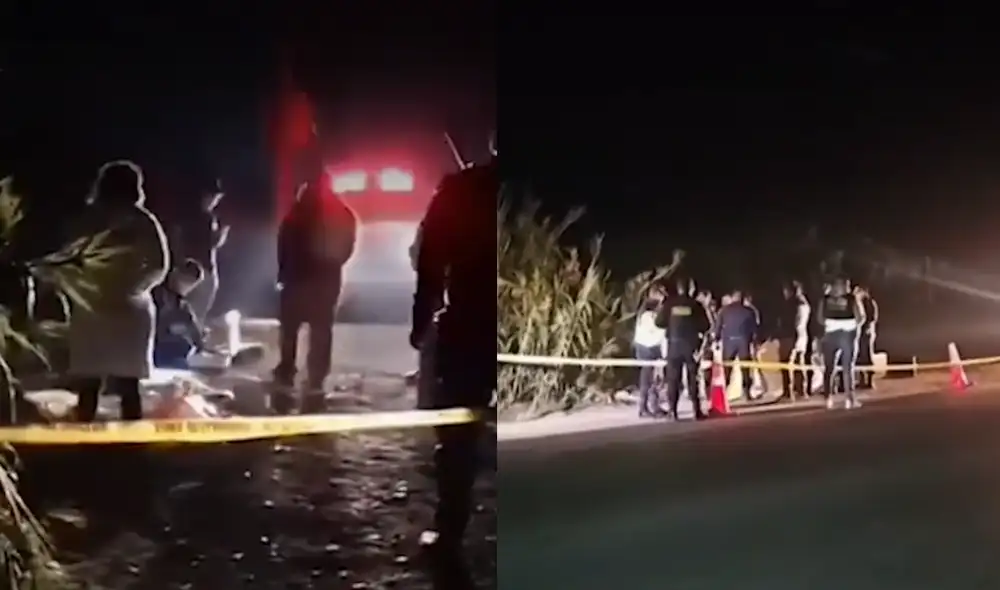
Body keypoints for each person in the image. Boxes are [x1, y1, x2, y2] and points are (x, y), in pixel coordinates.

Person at [410, 135, 496, 589]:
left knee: (458, 434)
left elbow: (429, 260)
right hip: (485, 322)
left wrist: (421, 321)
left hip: (469, 325)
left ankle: (450, 530)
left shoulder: (461, 188)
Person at [68, 160, 170, 422]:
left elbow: (66, 257)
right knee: (126, 384)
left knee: (92, 382)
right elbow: (159, 264)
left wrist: (85, 285)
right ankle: (131, 440)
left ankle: (83, 441)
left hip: (97, 304)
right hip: (125, 308)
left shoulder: (91, 218)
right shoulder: (143, 221)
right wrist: (135, 287)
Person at [272, 136, 358, 400]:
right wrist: (332, 266)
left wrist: (284, 272)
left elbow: (284, 243)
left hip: (299, 279)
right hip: (326, 281)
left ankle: (288, 368)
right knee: (321, 328)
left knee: (291, 328)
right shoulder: (341, 211)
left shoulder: (298, 211)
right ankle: (317, 374)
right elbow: (347, 245)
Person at [656, 279, 710, 419]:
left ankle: (672, 411)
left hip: (674, 345)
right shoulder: (695, 305)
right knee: (693, 378)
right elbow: (706, 326)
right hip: (691, 346)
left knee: (673, 379)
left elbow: (659, 322)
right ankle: (696, 411)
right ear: (690, 289)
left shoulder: (669, 304)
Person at [152, 259, 214, 369]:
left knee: (185, 345)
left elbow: (190, 322)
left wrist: (200, 342)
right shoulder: (158, 293)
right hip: (152, 344)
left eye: (190, 285)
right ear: (175, 274)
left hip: (164, 341)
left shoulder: (180, 302)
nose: (187, 288)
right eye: (186, 282)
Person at [183, 178, 228, 323]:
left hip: (188, 270)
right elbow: (212, 242)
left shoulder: (187, 216)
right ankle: (195, 338)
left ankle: (188, 338)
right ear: (207, 196)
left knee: (189, 308)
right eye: (215, 198)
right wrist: (223, 232)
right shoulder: (207, 218)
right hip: (205, 269)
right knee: (199, 311)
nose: (215, 201)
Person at [817, 276, 865, 409]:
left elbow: (820, 318)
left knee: (829, 368)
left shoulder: (825, 299)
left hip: (829, 334)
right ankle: (849, 399)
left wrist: (830, 324)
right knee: (848, 368)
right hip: (847, 335)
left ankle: (828, 398)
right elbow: (860, 317)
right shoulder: (851, 299)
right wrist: (852, 326)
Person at [715, 290, 757, 401]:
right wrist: (754, 341)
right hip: (743, 342)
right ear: (742, 298)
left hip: (729, 342)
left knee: (727, 369)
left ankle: (723, 394)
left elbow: (718, 327)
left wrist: (716, 339)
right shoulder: (749, 311)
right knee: (745, 369)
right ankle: (747, 393)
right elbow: (754, 329)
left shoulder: (723, 311)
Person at [633, 284, 668, 418]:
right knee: (650, 379)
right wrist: (663, 354)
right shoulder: (651, 313)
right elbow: (660, 333)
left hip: (643, 346)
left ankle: (648, 406)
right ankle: (649, 407)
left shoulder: (645, 310)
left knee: (648, 378)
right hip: (649, 347)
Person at [777, 283, 812, 399]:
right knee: (799, 364)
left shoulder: (790, 305)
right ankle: (802, 390)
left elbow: (791, 321)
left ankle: (788, 392)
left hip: (790, 336)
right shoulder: (805, 304)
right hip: (802, 336)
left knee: (786, 364)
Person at [854, 285, 879, 390]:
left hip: (867, 332)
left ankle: (869, 381)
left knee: (867, 355)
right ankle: (862, 380)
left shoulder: (869, 302)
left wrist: (868, 326)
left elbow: (873, 318)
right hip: (862, 332)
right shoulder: (861, 302)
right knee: (860, 356)